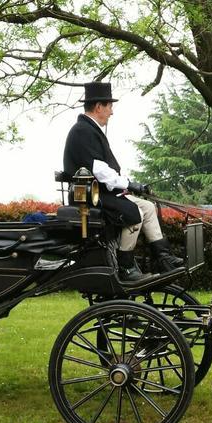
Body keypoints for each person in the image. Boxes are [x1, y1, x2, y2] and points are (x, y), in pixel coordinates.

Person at [62, 81, 183, 282]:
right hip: (90, 197)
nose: (112, 112)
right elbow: (99, 170)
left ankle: (164, 258)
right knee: (132, 213)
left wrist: (129, 184)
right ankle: (125, 267)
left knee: (148, 207)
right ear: (99, 106)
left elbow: (104, 170)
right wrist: (128, 184)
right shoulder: (82, 131)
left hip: (101, 193)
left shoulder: (89, 129)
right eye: (110, 106)